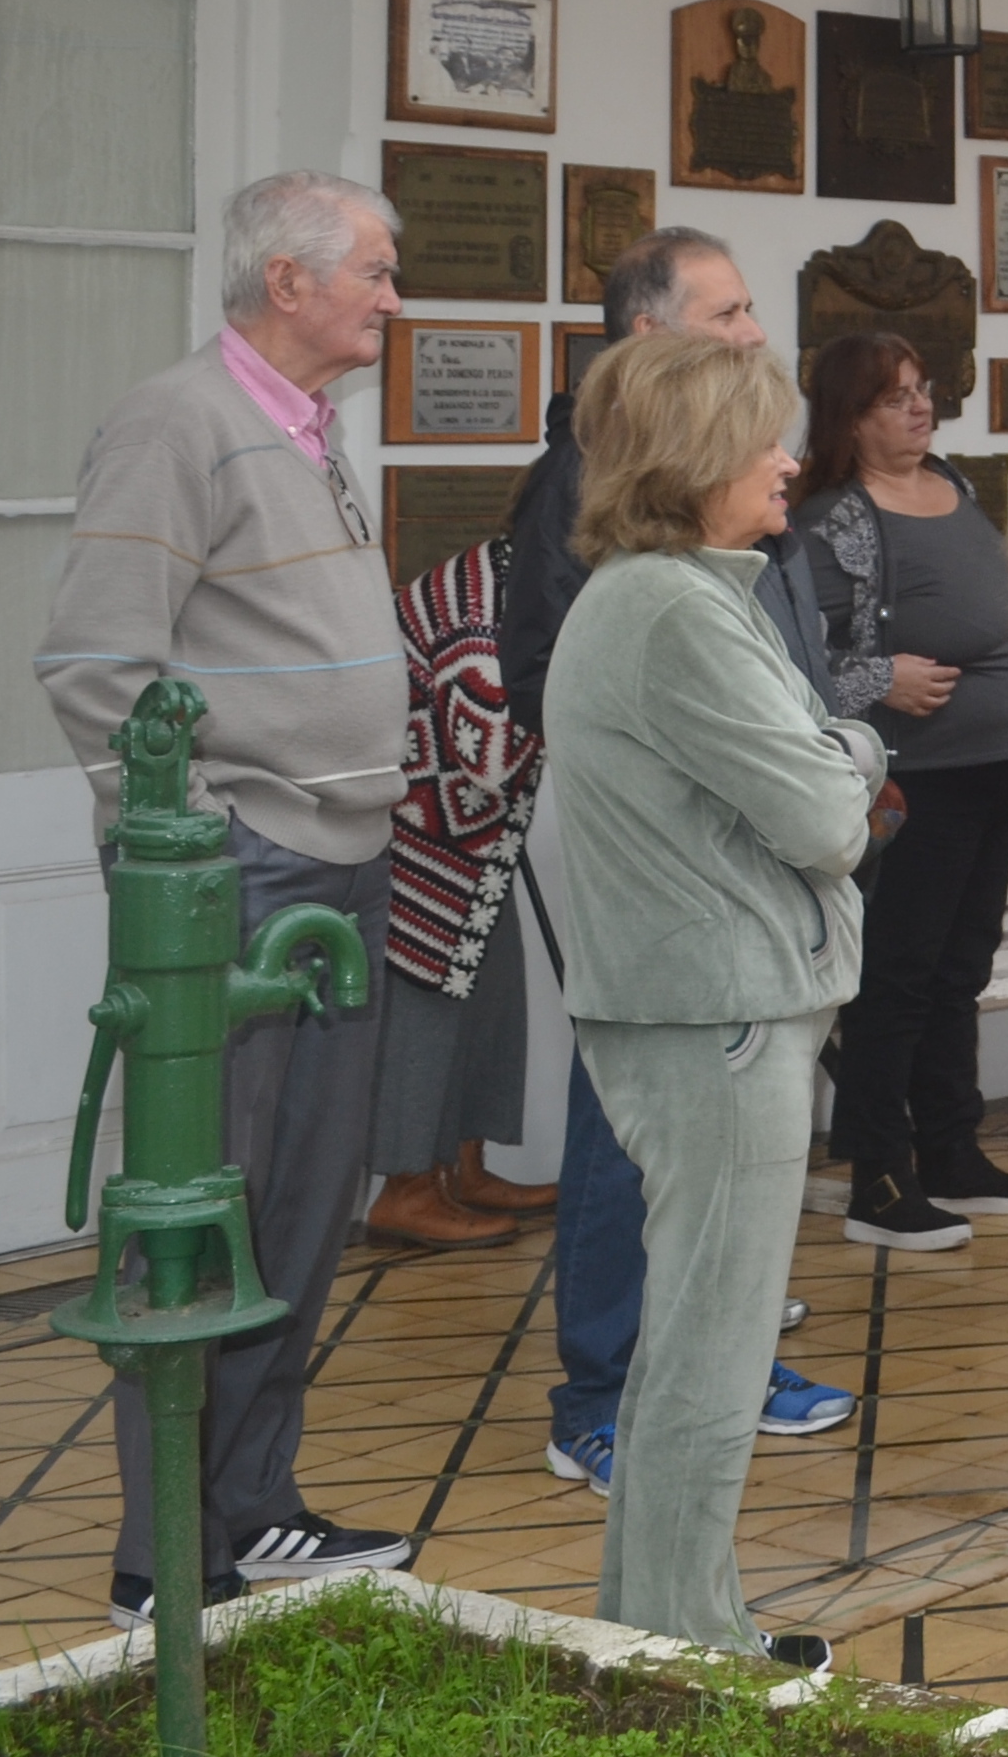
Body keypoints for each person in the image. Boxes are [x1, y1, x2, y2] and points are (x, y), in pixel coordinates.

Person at [40, 171, 421, 1627]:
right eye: (375, 272)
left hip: (342, 866)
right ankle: (164, 1557)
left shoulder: (310, 428)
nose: (392, 298)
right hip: (239, 879)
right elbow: (97, 666)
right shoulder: (176, 422)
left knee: (306, 1207)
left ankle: (253, 1510)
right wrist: (196, 841)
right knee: (203, 1208)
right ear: (287, 282)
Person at [537, 332, 886, 1667]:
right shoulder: (673, 611)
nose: (787, 460)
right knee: (712, 1351)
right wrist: (854, 748)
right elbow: (825, 815)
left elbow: (794, 782)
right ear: (692, 460)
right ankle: (690, 1646)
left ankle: (662, 1627)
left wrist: (827, 753)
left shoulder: (670, 594)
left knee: (693, 1338)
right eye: (761, 438)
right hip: (716, 1020)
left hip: (703, 1009)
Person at [500, 227, 859, 1490]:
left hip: (756, 850)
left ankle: (720, 1361)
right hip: (671, 888)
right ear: (651, 340)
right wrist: (799, 771)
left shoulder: (731, 508)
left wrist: (813, 754)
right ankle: (603, 1392)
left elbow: (782, 666)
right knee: (625, 1133)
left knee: (717, 1174)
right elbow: (563, 680)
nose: (754, 331)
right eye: (728, 313)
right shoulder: (596, 496)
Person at [801, 332, 1008, 1248]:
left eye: (923, 390)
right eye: (895, 398)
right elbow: (793, 659)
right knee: (899, 975)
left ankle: (953, 1150)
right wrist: (882, 679)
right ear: (850, 419)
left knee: (962, 965)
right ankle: (880, 1176)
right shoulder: (832, 518)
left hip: (1002, 759)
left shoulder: (952, 482)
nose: (921, 408)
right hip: (918, 775)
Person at [360, 530, 545, 1250]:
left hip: (468, 828)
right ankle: (406, 1187)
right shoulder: (478, 598)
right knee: (427, 989)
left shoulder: (520, 584)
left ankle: (463, 1165)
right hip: (424, 827)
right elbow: (488, 755)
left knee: (492, 993)